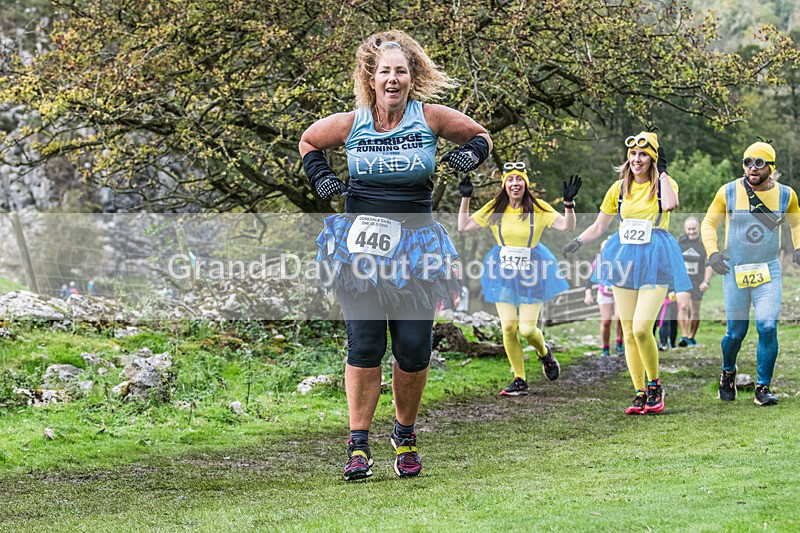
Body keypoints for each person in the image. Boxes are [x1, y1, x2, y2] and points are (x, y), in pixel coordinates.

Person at [299, 30, 492, 480]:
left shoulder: (429, 117)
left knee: (413, 349)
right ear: (371, 77)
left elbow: (480, 136)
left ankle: (404, 435)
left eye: (400, 71)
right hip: (360, 249)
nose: (392, 78)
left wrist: (471, 155)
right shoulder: (353, 121)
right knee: (365, 345)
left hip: (417, 248)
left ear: (412, 77)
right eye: (384, 71)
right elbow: (309, 142)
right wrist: (321, 178)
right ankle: (358, 446)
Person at [564, 130, 691, 415]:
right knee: (628, 330)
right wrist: (577, 241)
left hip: (656, 257)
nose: (636, 159)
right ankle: (639, 391)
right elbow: (599, 226)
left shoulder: (664, 185)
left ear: (654, 158)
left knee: (641, 327)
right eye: (632, 154)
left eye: (643, 154)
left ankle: (655, 385)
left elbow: (670, 205)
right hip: (624, 258)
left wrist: (664, 172)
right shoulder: (618, 188)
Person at [458, 164, 580, 396]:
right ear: (505, 183)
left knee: (526, 329)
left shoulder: (538, 208)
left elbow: (567, 226)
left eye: (519, 179)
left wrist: (568, 204)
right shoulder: (496, 207)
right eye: (511, 179)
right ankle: (519, 379)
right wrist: (466, 197)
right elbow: (463, 227)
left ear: (525, 184)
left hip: (532, 269)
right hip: (502, 269)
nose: (515, 184)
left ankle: (545, 353)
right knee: (508, 326)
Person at [700, 140, 800, 406]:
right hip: (735, 270)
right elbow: (709, 223)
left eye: (759, 163)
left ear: (771, 167)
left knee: (767, 325)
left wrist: (798, 248)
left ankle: (763, 387)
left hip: (768, 268)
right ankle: (728, 371)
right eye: (747, 162)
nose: (752, 169)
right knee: (735, 332)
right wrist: (712, 253)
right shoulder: (729, 191)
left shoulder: (786, 195)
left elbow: (796, 222)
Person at [675, 216, 713, 346]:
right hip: (683, 280)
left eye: (694, 229)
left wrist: (706, 281)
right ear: (685, 229)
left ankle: (692, 337)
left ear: (699, 228)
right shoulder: (680, 243)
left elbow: (709, 265)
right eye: (689, 229)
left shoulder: (704, 245)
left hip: (698, 281)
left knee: (695, 310)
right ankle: (684, 336)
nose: (691, 232)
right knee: (683, 306)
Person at [584, 240, 624, 357]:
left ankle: (619, 343)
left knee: (619, 318)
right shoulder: (598, 262)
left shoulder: (621, 260)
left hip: (618, 292)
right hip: (604, 293)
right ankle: (605, 347)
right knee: (606, 321)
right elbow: (590, 279)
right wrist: (588, 293)